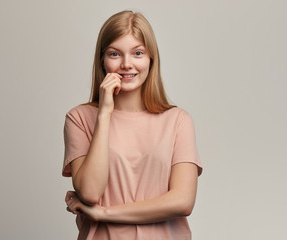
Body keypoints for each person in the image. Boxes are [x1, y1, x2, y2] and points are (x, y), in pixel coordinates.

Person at [62, 10, 203, 240]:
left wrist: (103, 213)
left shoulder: (178, 120)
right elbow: (89, 192)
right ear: (102, 60)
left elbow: (183, 201)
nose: (127, 64)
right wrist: (104, 114)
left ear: (151, 59)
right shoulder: (78, 119)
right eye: (115, 54)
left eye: (137, 53)